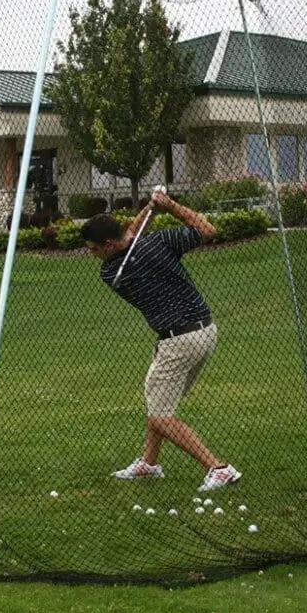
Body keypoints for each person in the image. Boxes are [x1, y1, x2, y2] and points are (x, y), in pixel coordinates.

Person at [81, 191, 241, 493]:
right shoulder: (155, 245)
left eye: (93, 249)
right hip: (204, 331)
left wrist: (153, 210)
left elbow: (129, 235)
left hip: (179, 341)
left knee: (161, 417)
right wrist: (168, 207)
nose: (93, 256)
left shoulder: (113, 270)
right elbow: (207, 229)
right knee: (157, 399)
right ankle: (149, 463)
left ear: (108, 246)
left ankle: (219, 468)